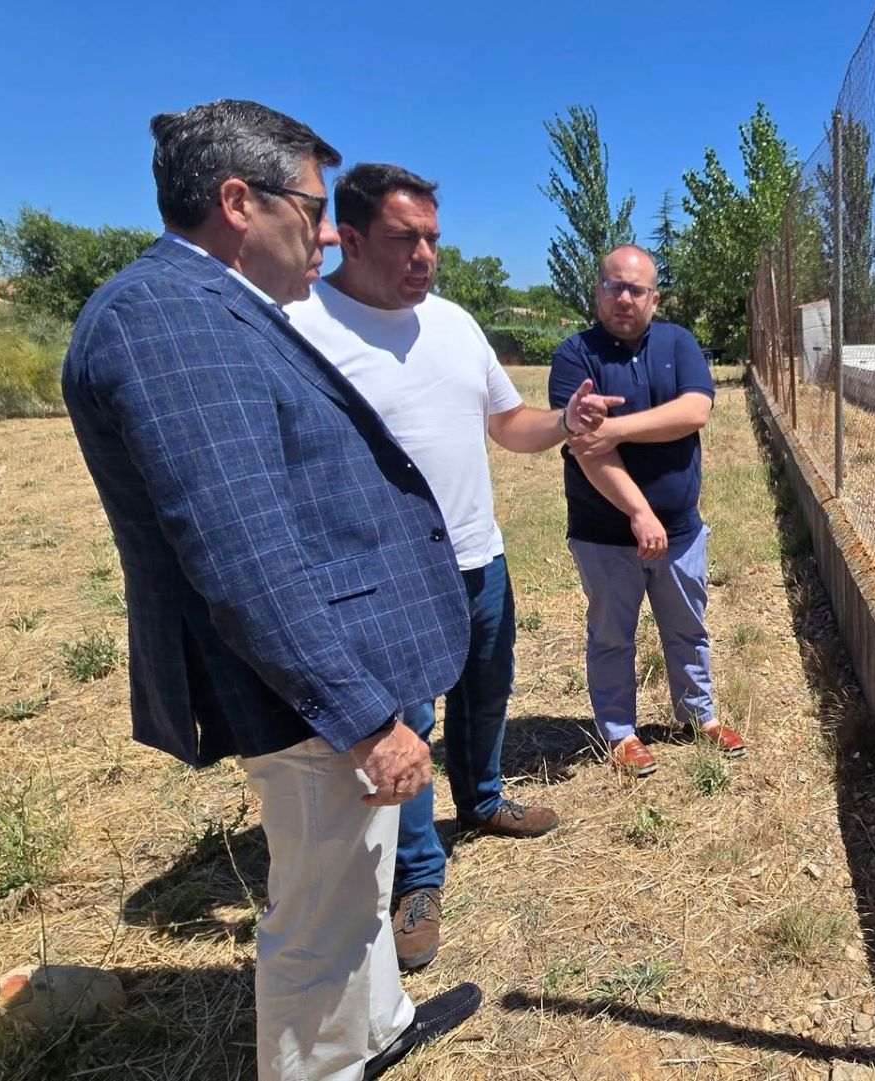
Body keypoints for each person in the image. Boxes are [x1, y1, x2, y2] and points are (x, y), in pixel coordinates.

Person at [62, 100, 474, 1081]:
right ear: (239, 202)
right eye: (316, 210)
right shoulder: (169, 320)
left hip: (319, 664)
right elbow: (243, 552)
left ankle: (377, 1026)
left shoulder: (207, 306)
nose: (328, 235)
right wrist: (363, 716)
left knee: (357, 872)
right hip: (299, 684)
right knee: (323, 905)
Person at [286, 162, 622, 972]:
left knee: (486, 690)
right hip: (383, 577)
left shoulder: (456, 324)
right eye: (405, 239)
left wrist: (565, 421)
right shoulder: (303, 327)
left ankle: (482, 799)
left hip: (478, 556)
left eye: (433, 239)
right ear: (350, 237)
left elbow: (507, 423)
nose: (426, 256)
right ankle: (417, 877)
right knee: (407, 726)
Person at [550, 245, 747, 777]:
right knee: (612, 635)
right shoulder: (575, 356)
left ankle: (699, 717)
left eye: (636, 289)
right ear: (598, 292)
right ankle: (620, 733)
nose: (624, 298)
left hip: (680, 529)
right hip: (603, 532)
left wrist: (615, 428)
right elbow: (586, 449)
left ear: (654, 300)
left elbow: (694, 411)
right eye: (614, 285)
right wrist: (638, 511)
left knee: (687, 627)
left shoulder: (678, 342)